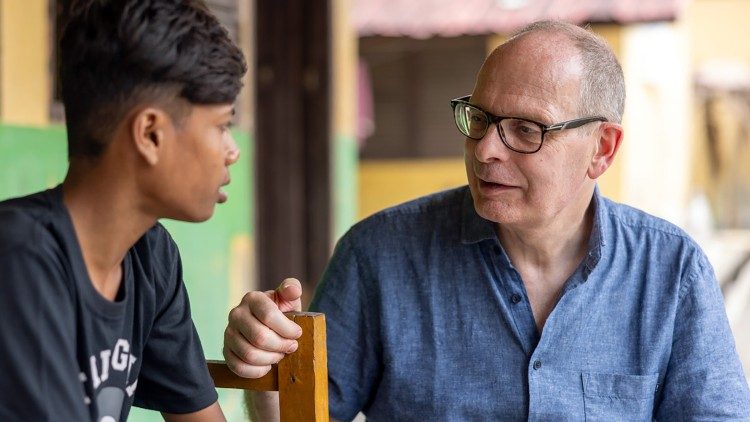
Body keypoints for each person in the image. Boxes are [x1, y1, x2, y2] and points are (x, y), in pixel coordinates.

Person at [223, 21, 750, 420]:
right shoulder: (380, 253)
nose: (485, 151)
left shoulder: (672, 271)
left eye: (525, 130)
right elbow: (300, 413)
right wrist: (268, 364)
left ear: (602, 149)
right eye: (479, 119)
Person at [0, 0, 246, 420]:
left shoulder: (151, 256)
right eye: (222, 126)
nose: (233, 151)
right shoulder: (19, 258)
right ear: (150, 134)